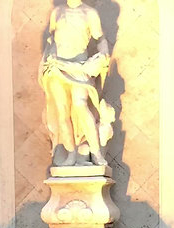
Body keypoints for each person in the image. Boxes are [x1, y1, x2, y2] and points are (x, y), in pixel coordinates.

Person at [40, 0, 115, 167]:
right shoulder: (57, 12)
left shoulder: (90, 13)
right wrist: (50, 56)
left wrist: (103, 55)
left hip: (80, 67)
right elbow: (52, 39)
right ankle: (71, 155)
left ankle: (96, 153)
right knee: (63, 112)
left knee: (80, 105)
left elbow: (100, 39)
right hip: (57, 67)